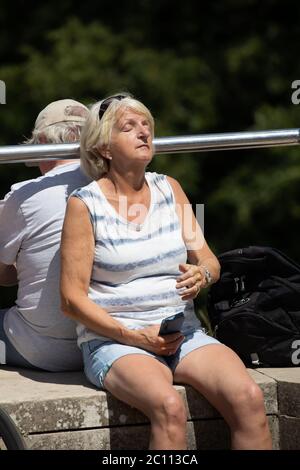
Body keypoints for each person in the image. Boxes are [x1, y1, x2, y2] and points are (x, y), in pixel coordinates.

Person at [60, 93, 272, 450]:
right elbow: (70, 299)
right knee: (169, 406)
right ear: (104, 149)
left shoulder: (168, 188)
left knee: (249, 397)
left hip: (183, 332)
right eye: (130, 127)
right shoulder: (84, 204)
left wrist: (201, 275)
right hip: (116, 340)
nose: (144, 133)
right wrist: (134, 336)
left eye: (147, 125)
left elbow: (209, 260)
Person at [0, 99, 91, 371]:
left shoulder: (24, 194)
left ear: (42, 141)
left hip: (43, 349)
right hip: (103, 343)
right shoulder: (119, 188)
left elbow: (3, 276)